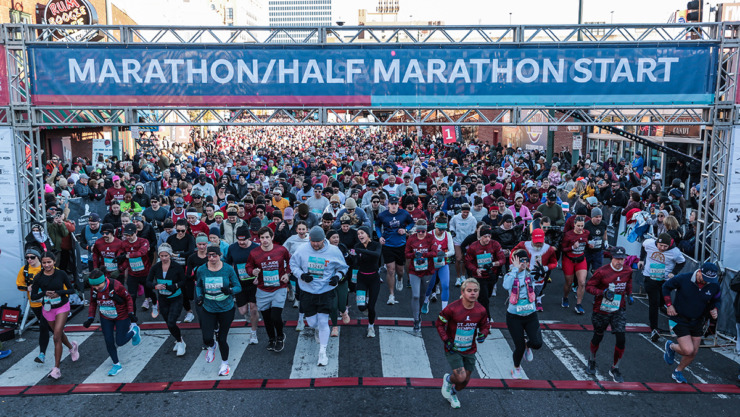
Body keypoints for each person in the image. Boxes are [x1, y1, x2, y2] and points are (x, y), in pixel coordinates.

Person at [290, 226, 348, 366]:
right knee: (312, 323)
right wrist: (302, 275)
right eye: (313, 241)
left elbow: (343, 268)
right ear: (309, 239)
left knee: (323, 321)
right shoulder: (302, 250)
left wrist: (337, 277)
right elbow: (293, 265)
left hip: (326, 291)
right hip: (307, 291)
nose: (315, 244)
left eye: (319, 242)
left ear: (324, 240)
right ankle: (318, 330)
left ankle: (322, 352)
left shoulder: (334, 251)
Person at [662, 262, 721, 383]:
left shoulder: (714, 285)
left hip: (698, 320)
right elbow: (666, 287)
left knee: (694, 351)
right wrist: (669, 305)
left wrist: (715, 309)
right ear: (699, 272)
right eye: (704, 278)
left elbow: (717, 299)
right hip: (679, 318)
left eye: (709, 280)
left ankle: (678, 371)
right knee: (688, 350)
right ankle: (671, 346)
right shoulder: (683, 278)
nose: (706, 282)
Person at [436, 278, 490, 409]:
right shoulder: (452, 308)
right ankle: (448, 380)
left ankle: (452, 394)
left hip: (470, 349)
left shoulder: (481, 310)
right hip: (453, 348)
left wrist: (483, 333)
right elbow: (439, 324)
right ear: (463, 292)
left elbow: (485, 325)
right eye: (469, 290)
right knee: (460, 377)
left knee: (464, 381)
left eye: (475, 291)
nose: (473, 293)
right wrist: (446, 341)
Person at [585, 247, 633, 383]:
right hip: (601, 309)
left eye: (622, 259)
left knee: (621, 337)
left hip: (619, 308)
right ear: (612, 258)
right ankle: (592, 360)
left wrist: (630, 294)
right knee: (598, 336)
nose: (620, 262)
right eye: (617, 259)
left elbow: (628, 282)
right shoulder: (601, 272)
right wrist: (602, 292)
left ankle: (615, 367)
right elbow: (589, 287)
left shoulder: (628, 270)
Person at [29, 251, 79, 379]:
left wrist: (58, 293)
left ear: (54, 262)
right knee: (59, 333)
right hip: (48, 309)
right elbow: (33, 296)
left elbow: (71, 289)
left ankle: (56, 369)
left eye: (49, 262)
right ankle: (72, 347)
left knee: (56, 336)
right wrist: (44, 293)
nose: (47, 265)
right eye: (44, 262)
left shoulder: (61, 274)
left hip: (62, 306)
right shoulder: (38, 277)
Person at [83, 269, 141, 376]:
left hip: (121, 316)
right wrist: (90, 318)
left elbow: (128, 298)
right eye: (94, 286)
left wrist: (131, 313)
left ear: (104, 280)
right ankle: (116, 364)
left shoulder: (116, 285)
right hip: (105, 317)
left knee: (120, 341)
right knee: (108, 341)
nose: (96, 288)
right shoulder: (94, 289)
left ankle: (134, 331)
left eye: (98, 285)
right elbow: (93, 302)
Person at [195, 246, 241, 376]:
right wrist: (199, 296)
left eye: (214, 255)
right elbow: (199, 285)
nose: (211, 258)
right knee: (207, 337)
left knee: (222, 338)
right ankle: (211, 346)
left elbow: (238, 287)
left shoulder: (228, 269)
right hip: (208, 307)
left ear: (220, 255)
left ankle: (225, 364)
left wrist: (230, 291)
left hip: (226, 308)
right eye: (209, 255)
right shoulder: (202, 269)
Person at [246, 227, 292, 352]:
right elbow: (248, 266)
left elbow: (291, 262)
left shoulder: (281, 250)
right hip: (263, 289)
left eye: (267, 237)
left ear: (272, 237)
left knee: (275, 316)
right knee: (266, 318)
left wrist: (287, 274)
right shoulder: (254, 253)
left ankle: (281, 336)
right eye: (262, 238)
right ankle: (272, 339)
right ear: (259, 238)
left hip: (279, 288)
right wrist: (252, 272)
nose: (264, 240)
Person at [503, 249, 543, 379]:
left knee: (537, 343)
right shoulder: (510, 274)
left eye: (526, 260)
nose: (524, 263)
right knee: (519, 347)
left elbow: (539, 280)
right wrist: (516, 270)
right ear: (515, 261)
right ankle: (516, 368)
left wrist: (542, 273)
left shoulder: (529, 273)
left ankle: (528, 345)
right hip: (514, 317)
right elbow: (506, 285)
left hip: (531, 315)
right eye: (521, 260)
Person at [639, 233, 686, 342]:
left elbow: (682, 262)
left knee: (661, 302)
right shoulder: (650, 243)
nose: (662, 248)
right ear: (657, 243)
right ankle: (654, 328)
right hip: (649, 277)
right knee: (654, 302)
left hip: (664, 280)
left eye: (665, 247)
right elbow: (643, 246)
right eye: (660, 246)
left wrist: (674, 273)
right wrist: (641, 259)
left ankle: (673, 319)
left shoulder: (675, 252)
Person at [146, 243, 186, 356]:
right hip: (163, 298)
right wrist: (155, 286)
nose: (163, 258)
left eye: (166, 255)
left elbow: (184, 281)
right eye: (161, 256)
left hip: (176, 297)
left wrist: (175, 286)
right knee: (168, 323)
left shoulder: (177, 267)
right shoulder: (155, 267)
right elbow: (148, 282)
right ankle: (178, 338)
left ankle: (180, 342)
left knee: (172, 322)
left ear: (170, 255)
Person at [224, 226, 260, 345]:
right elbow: (228, 264)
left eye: (244, 240)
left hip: (253, 283)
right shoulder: (232, 248)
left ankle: (253, 333)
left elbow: (262, 264)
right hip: (239, 283)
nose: (241, 242)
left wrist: (258, 277)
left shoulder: (256, 247)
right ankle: (250, 317)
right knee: (243, 311)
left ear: (249, 238)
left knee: (253, 308)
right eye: (239, 240)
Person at [375, 195, 414, 305]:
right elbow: (377, 225)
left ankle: (400, 279)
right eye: (391, 204)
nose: (393, 206)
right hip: (388, 245)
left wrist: (405, 229)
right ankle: (391, 295)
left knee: (400, 270)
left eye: (395, 204)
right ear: (388, 205)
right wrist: (380, 236)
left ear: (398, 204)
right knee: (390, 270)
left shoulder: (404, 213)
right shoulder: (382, 215)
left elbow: (411, 223)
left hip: (401, 245)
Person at [16, 248, 50, 363]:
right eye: (27, 258)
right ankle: (64, 342)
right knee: (46, 325)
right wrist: (27, 288)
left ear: (38, 257)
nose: (29, 260)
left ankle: (43, 353)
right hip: (35, 303)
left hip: (49, 302)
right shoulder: (24, 270)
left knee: (46, 326)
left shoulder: (45, 267)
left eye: (32, 257)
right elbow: (19, 285)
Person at [510, 228, 558, 312]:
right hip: (525, 273)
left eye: (540, 243)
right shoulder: (523, 245)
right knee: (523, 290)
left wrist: (546, 268)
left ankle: (538, 300)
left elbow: (554, 263)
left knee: (537, 290)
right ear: (532, 239)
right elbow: (513, 253)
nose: (538, 245)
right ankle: (523, 304)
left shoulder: (549, 249)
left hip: (539, 275)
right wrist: (513, 265)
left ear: (543, 239)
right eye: (536, 243)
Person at [464, 225, 505, 321]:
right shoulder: (473, 246)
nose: (487, 239)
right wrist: (475, 270)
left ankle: (479, 308)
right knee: (484, 298)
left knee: (487, 296)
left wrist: (493, 264)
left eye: (489, 237)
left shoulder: (495, 244)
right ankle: (486, 318)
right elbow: (467, 261)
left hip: (491, 275)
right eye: (485, 237)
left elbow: (502, 259)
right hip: (479, 276)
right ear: (480, 237)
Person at [405, 219, 439, 331]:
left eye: (422, 232)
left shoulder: (430, 238)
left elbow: (435, 253)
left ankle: (419, 313)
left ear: (426, 230)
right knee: (415, 295)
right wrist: (415, 255)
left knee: (422, 295)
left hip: (427, 271)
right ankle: (415, 319)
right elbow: (406, 253)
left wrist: (423, 255)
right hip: (414, 270)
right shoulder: (411, 238)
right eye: (418, 231)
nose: (420, 234)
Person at [353, 226, 382, 337]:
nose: (360, 235)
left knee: (371, 307)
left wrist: (362, 251)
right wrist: (354, 257)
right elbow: (356, 263)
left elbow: (377, 255)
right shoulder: (357, 246)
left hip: (374, 279)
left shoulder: (376, 245)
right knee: (361, 306)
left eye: (362, 233)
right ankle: (366, 304)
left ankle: (371, 326)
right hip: (361, 278)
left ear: (368, 234)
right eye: (358, 234)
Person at [423, 213, 455, 312]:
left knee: (445, 285)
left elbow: (452, 251)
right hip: (432, 264)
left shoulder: (447, 235)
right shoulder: (429, 234)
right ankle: (425, 301)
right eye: (439, 229)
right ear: (435, 226)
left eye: (443, 229)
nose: (441, 232)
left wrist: (444, 255)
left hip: (442, 264)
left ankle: (444, 310)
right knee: (430, 285)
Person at [121, 223, 155, 314]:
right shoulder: (124, 244)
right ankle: (133, 319)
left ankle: (155, 304)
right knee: (132, 297)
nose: (129, 237)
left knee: (150, 292)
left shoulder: (143, 241)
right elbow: (124, 260)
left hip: (145, 273)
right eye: (126, 235)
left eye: (131, 235)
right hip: (133, 274)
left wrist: (129, 255)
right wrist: (121, 269)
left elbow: (142, 252)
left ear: (136, 232)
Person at [560, 216, 590, 314]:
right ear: (574, 225)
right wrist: (572, 247)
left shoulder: (587, 233)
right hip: (569, 260)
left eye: (582, 226)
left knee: (582, 282)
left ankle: (578, 304)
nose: (580, 228)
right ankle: (565, 297)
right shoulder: (568, 235)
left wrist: (589, 245)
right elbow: (563, 249)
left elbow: (587, 242)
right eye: (578, 226)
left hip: (581, 260)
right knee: (569, 283)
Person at [451, 203, 478, 287]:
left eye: (467, 212)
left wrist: (469, 239)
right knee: (458, 258)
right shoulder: (455, 217)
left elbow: (474, 229)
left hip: (467, 241)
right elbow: (451, 225)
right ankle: (458, 277)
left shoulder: (472, 219)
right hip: (458, 240)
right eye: (464, 212)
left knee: (464, 259)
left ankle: (463, 276)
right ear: (461, 211)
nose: (465, 214)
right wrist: (453, 231)